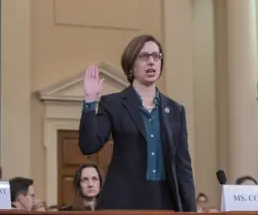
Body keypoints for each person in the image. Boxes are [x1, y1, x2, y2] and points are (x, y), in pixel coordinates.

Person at [79, 34, 195, 211]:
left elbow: (183, 168)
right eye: (144, 56)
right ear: (131, 64)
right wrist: (89, 102)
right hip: (123, 203)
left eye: (156, 56)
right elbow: (89, 145)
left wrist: (190, 211)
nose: (151, 62)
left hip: (163, 202)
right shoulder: (113, 104)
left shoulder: (175, 111)